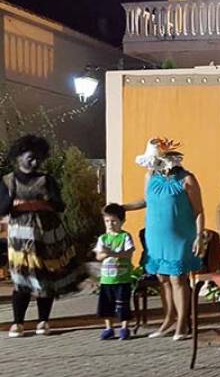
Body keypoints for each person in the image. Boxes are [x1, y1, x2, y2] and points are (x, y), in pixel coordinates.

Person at [1, 134, 81, 337]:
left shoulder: (46, 180)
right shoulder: (7, 181)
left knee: (46, 278)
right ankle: (18, 323)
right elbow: (2, 209)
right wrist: (17, 202)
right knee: (21, 277)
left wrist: (32, 203)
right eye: (31, 158)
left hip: (47, 236)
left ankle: (43, 321)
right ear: (19, 157)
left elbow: (59, 205)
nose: (35, 162)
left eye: (38, 158)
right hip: (20, 239)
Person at [125, 138, 204, 341]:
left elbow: (198, 211)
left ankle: (182, 323)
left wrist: (199, 236)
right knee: (163, 279)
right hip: (155, 235)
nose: (154, 165)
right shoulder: (150, 176)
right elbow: (146, 200)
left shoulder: (187, 179)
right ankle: (168, 319)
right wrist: (123, 207)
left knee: (178, 278)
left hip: (180, 236)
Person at [94, 203, 136, 340]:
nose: (110, 224)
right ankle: (109, 328)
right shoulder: (103, 238)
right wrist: (104, 254)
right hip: (107, 279)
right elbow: (98, 256)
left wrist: (113, 253)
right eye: (107, 221)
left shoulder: (125, 237)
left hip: (122, 278)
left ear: (122, 221)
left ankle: (124, 327)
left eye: (113, 221)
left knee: (122, 304)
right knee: (106, 305)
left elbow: (129, 253)